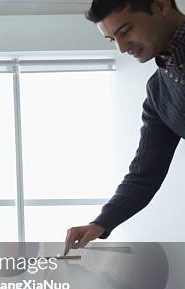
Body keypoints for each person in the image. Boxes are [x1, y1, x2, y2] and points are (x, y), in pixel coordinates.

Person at [65, 0, 185, 254]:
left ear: (161, 5)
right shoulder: (159, 93)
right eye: (112, 40)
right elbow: (144, 173)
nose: (121, 48)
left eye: (125, 30)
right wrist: (101, 223)